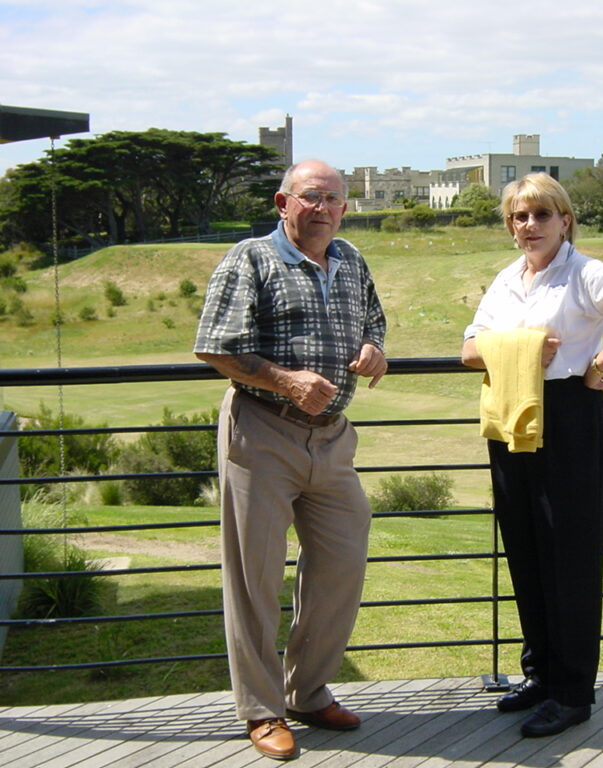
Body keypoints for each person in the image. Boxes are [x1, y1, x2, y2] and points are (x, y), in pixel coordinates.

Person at [194, 159, 387, 760]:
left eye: (333, 199)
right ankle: (259, 710)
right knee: (254, 576)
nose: (323, 208)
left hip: (331, 438)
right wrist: (285, 381)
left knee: (343, 559)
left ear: (345, 208)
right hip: (263, 431)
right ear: (284, 203)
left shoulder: (350, 260)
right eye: (310, 197)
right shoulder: (250, 258)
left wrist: (374, 348)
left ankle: (307, 690)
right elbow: (216, 346)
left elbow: (374, 318)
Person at [461, 172, 603, 738]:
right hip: (511, 418)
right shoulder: (506, 280)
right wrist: (521, 347)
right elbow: (469, 350)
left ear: (565, 219)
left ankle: (573, 692)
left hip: (569, 414)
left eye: (541, 215)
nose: (529, 226)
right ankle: (541, 676)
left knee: (569, 555)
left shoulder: (585, 273)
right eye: (519, 217)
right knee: (525, 547)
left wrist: (600, 365)